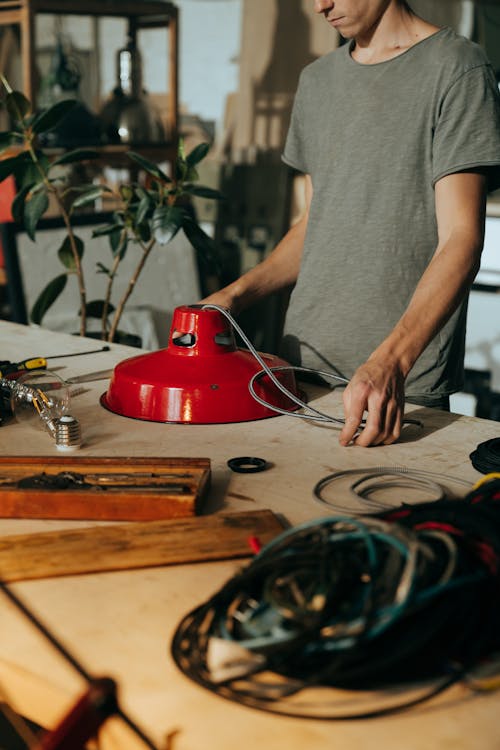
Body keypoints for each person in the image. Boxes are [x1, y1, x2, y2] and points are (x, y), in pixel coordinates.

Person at [202, 0, 500, 447]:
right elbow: (314, 226)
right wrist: (232, 297)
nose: (321, 5)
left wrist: (392, 363)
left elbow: (461, 238)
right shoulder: (317, 81)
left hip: (399, 383)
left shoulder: (456, 67)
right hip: (298, 365)